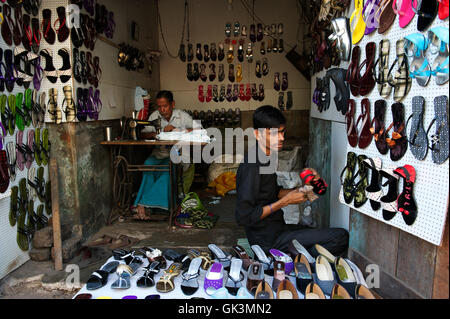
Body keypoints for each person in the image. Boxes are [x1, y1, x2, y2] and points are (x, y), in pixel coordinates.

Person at [235, 105, 349, 255]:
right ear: (258, 134)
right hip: (266, 241)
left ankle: (296, 255)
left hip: (278, 229)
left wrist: (306, 189)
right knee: (340, 237)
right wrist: (285, 201)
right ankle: (296, 258)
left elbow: (272, 193)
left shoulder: (267, 157)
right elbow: (244, 216)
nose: (282, 138)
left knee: (321, 234)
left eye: (282, 132)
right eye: (274, 134)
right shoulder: (252, 165)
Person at [134, 90, 201, 220]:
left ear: (172, 104)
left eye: (165, 106)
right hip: (159, 153)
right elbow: (143, 133)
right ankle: (144, 203)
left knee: (167, 168)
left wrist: (179, 130)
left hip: (177, 155)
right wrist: (154, 134)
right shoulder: (154, 116)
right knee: (147, 165)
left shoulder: (182, 116)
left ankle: (145, 204)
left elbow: (199, 130)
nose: (162, 109)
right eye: (159, 106)